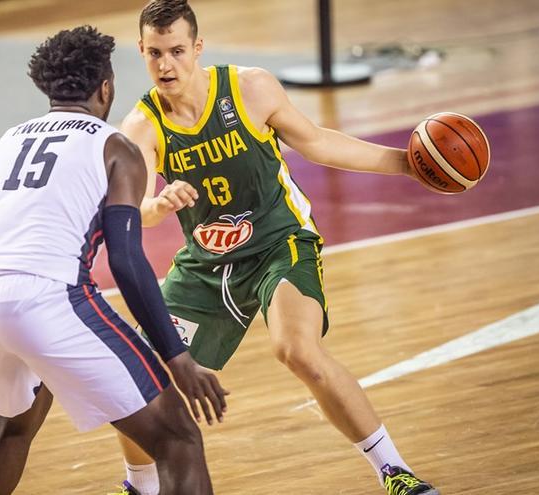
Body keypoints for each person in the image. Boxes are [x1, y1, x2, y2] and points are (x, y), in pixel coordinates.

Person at [111, 1, 439, 494]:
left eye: (177, 51)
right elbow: (131, 215)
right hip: (207, 264)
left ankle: (395, 472)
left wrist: (406, 163)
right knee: (138, 376)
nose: (165, 65)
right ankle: (139, 486)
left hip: (278, 242)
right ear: (140, 50)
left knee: (297, 350)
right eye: (154, 53)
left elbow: (316, 142)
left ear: (198, 48)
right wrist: (160, 204)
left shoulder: (249, 87)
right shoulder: (140, 127)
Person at [0, 26, 228, 495]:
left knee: (13, 424)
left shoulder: (4, 143)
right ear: (106, 87)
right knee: (177, 437)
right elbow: (127, 261)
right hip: (44, 297)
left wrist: (4, 321)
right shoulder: (115, 147)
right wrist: (178, 359)